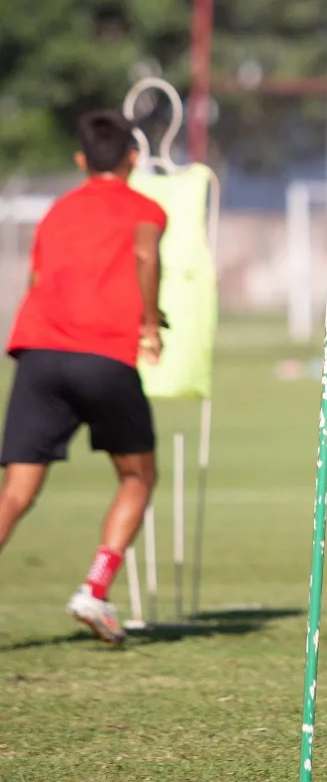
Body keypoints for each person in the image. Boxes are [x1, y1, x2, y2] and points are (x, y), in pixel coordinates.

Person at [0, 110, 166, 646]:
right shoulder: (145, 207)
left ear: (80, 160)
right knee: (137, 477)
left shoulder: (57, 211)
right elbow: (144, 252)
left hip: (40, 353)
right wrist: (149, 322)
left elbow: (36, 277)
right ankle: (94, 591)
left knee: (17, 492)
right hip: (104, 356)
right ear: (134, 158)